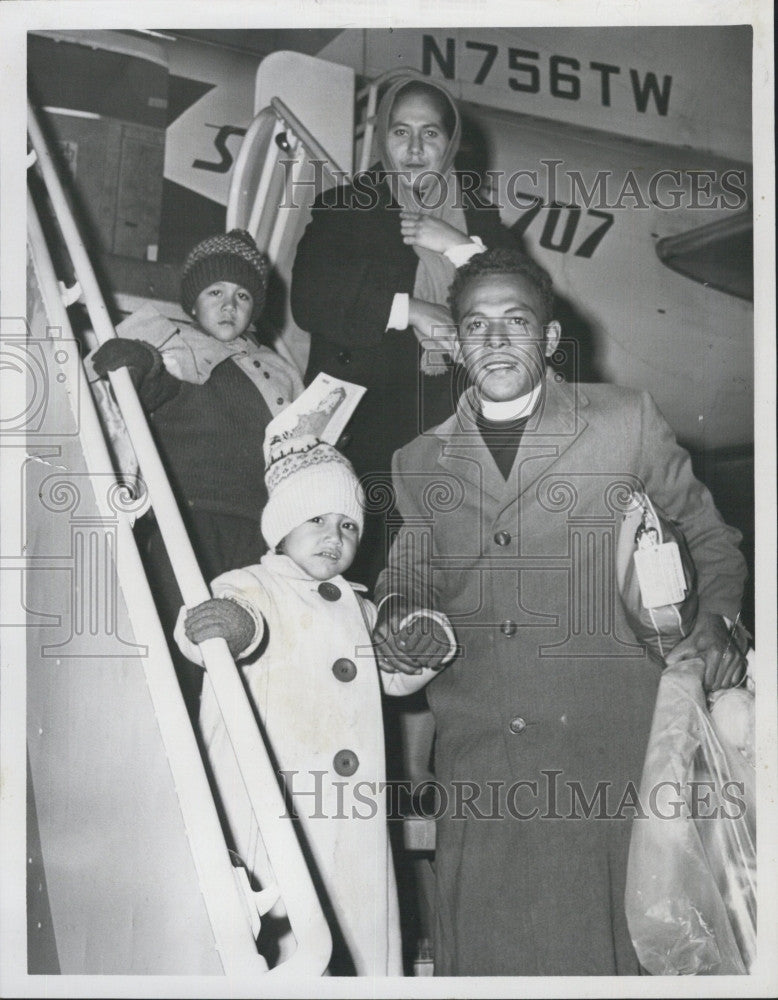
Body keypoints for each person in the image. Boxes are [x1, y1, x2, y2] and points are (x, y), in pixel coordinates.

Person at [372, 247, 748, 976]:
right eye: (476, 325)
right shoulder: (418, 461)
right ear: (453, 342)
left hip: (608, 751)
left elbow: (710, 536)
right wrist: (398, 612)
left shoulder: (624, 421)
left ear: (548, 340)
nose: (496, 340)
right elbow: (413, 568)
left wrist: (719, 621)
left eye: (517, 322)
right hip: (483, 762)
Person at [173, 436, 456, 976]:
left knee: (359, 927)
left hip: (352, 813)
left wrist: (426, 641)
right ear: (280, 527)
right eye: (317, 520)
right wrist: (229, 627)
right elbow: (209, 625)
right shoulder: (250, 584)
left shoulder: (359, 604)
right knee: (284, 934)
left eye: (349, 525)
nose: (335, 536)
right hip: (274, 801)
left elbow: (392, 677)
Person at [290, 71, 518, 585]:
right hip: (364, 427)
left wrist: (456, 245)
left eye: (430, 133)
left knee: (442, 586)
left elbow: (525, 307)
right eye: (400, 131)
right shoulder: (343, 208)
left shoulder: (481, 223)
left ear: (451, 141)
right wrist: (410, 308)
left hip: (451, 429)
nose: (414, 147)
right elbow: (310, 298)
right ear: (382, 137)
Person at [90, 230, 304, 711]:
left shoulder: (279, 369)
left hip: (259, 526)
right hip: (189, 515)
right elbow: (156, 387)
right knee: (183, 629)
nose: (230, 305)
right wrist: (140, 364)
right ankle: (176, 720)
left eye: (243, 295)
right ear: (191, 302)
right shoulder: (174, 346)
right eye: (215, 292)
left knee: (250, 642)